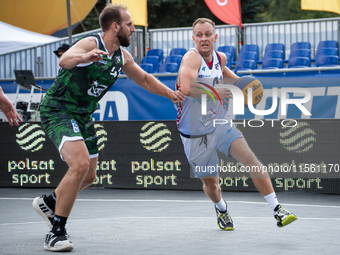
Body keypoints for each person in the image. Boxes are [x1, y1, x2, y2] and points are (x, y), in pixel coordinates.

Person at [32, 4, 185, 252]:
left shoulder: (122, 57)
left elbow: (144, 79)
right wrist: (84, 57)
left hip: (82, 114)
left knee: (89, 176)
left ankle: (50, 201)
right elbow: (65, 60)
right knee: (79, 164)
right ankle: (56, 231)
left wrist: (170, 94)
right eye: (129, 25)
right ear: (115, 26)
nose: (133, 29)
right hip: (58, 109)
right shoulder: (91, 43)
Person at [175, 18, 297, 231]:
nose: (204, 39)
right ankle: (221, 209)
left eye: (208, 34)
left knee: (249, 157)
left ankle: (277, 209)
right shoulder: (191, 59)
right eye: (199, 35)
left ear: (215, 37)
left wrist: (248, 89)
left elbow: (235, 82)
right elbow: (186, 88)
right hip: (194, 133)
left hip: (219, 123)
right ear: (193, 38)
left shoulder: (220, 59)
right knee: (212, 185)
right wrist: (215, 91)